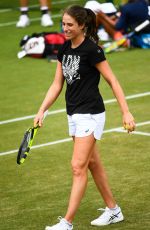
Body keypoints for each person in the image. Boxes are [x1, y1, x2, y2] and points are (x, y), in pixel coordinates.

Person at [34, 5, 135, 230]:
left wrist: (125, 111)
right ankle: (114, 210)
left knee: (77, 166)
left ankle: (67, 223)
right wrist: (42, 110)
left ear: (82, 25)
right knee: (92, 163)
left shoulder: (92, 50)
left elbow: (113, 81)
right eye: (64, 24)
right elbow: (56, 84)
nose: (65, 28)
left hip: (91, 114)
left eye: (70, 24)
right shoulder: (64, 49)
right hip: (74, 114)